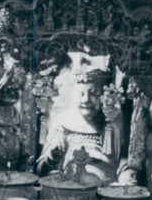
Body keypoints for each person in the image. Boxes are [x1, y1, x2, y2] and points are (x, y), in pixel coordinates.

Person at [37, 52, 123, 185]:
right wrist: (53, 156)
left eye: (94, 93)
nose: (86, 100)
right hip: (70, 187)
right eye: (81, 93)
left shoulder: (113, 121)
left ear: (103, 96)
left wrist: (125, 180)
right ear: (73, 95)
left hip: (107, 189)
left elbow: (124, 162)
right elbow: (41, 169)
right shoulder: (62, 121)